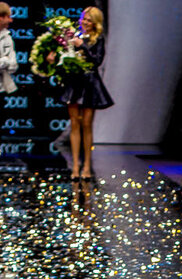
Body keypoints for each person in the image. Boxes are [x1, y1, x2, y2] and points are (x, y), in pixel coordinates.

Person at [50, 7, 114, 179]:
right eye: (83, 19)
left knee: (87, 124)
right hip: (74, 83)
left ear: (95, 23)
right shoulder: (73, 36)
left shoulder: (98, 39)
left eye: (89, 20)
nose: (85, 22)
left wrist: (83, 46)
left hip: (89, 84)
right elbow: (64, 56)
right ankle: (75, 167)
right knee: (74, 123)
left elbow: (97, 61)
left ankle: (86, 165)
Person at [0, 2, 16, 95]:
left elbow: (13, 66)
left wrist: (4, 62)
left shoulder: (7, 37)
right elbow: (8, 61)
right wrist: (6, 60)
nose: (11, 20)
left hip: (2, 89)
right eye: (8, 17)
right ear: (0, 17)